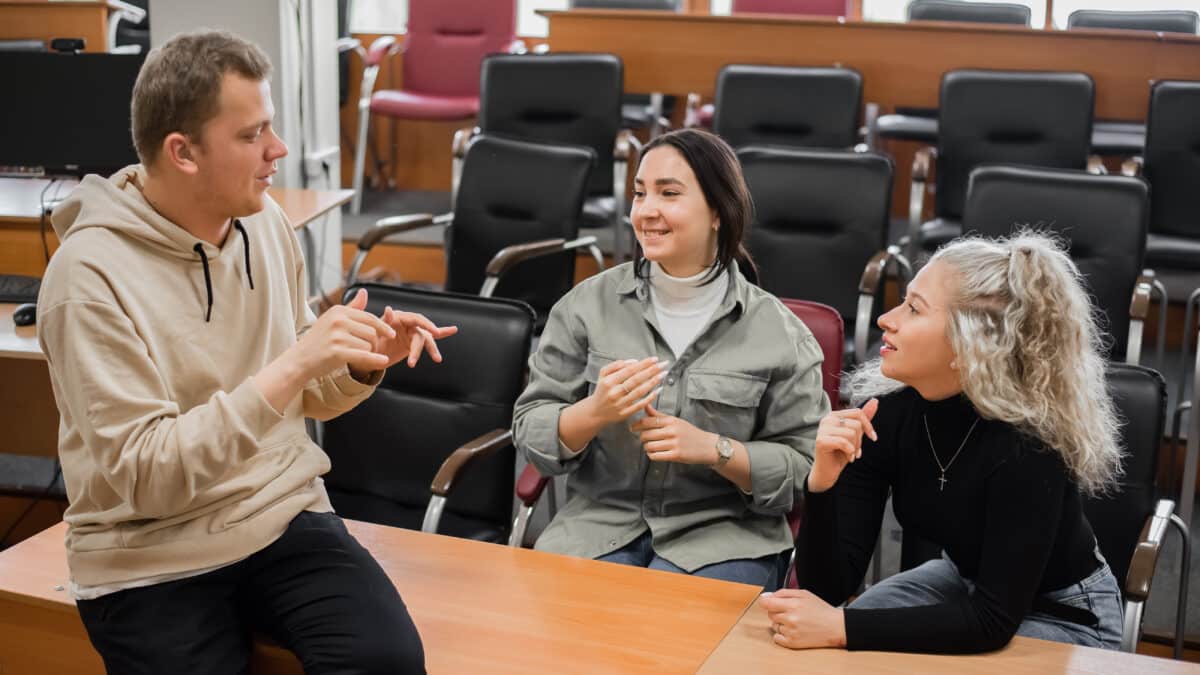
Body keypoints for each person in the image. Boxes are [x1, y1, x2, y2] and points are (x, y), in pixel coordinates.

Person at [37, 30, 454, 674]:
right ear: (183, 153)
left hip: (277, 512)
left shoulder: (265, 225)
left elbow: (305, 393)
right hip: (148, 552)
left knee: (388, 662)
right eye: (252, 134)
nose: (277, 151)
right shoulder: (87, 277)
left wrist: (357, 361)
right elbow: (149, 479)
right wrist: (293, 365)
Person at [761, 233, 1125, 652]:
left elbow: (992, 621)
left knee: (861, 641)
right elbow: (828, 591)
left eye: (914, 309)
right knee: (838, 643)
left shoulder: (1028, 444)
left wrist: (843, 628)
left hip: (1069, 615)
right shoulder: (885, 411)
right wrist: (821, 483)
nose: (886, 319)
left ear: (969, 342)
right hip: (963, 585)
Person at [512, 128, 829, 588]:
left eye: (669, 194)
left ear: (719, 212)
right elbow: (531, 426)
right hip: (597, 531)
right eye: (640, 194)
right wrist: (593, 412)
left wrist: (716, 451)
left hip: (724, 540)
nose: (647, 211)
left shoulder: (780, 334)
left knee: (666, 639)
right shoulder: (585, 306)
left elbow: (805, 471)